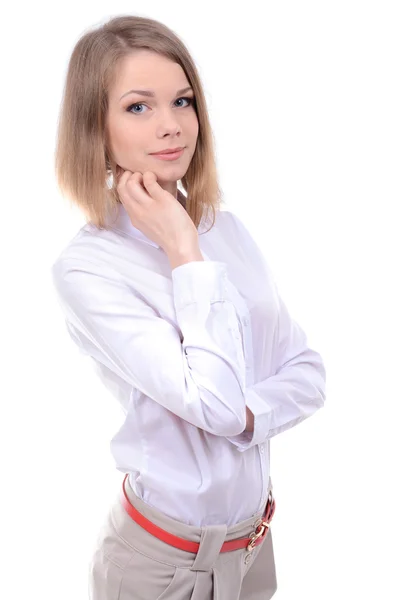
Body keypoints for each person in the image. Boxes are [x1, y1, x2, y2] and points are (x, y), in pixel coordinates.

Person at [51, 14, 326, 600]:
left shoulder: (225, 229)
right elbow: (216, 407)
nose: (173, 127)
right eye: (138, 107)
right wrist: (182, 250)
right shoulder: (89, 269)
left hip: (252, 546)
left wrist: (248, 416)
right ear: (93, 128)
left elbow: (307, 371)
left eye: (183, 101)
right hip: (160, 563)